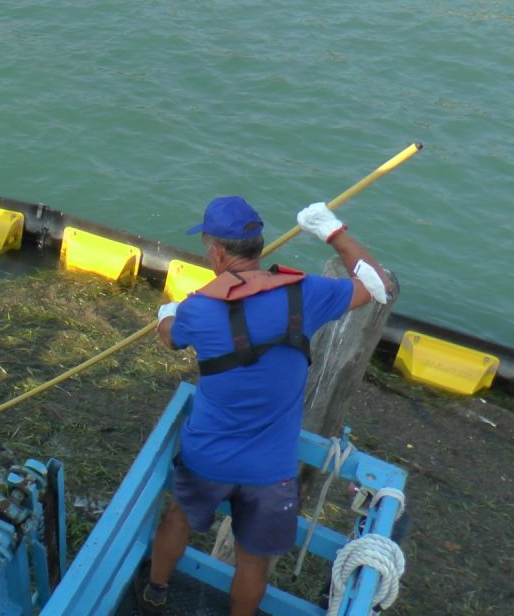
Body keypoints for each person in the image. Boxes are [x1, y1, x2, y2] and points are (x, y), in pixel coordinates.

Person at [137, 196, 390, 615]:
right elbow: (376, 284)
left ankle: (155, 592)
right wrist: (333, 231)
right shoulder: (304, 293)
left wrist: (168, 312)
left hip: (207, 456)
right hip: (271, 470)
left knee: (178, 516)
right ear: (258, 247)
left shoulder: (201, 308)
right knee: (253, 560)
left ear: (217, 251)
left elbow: (169, 336)